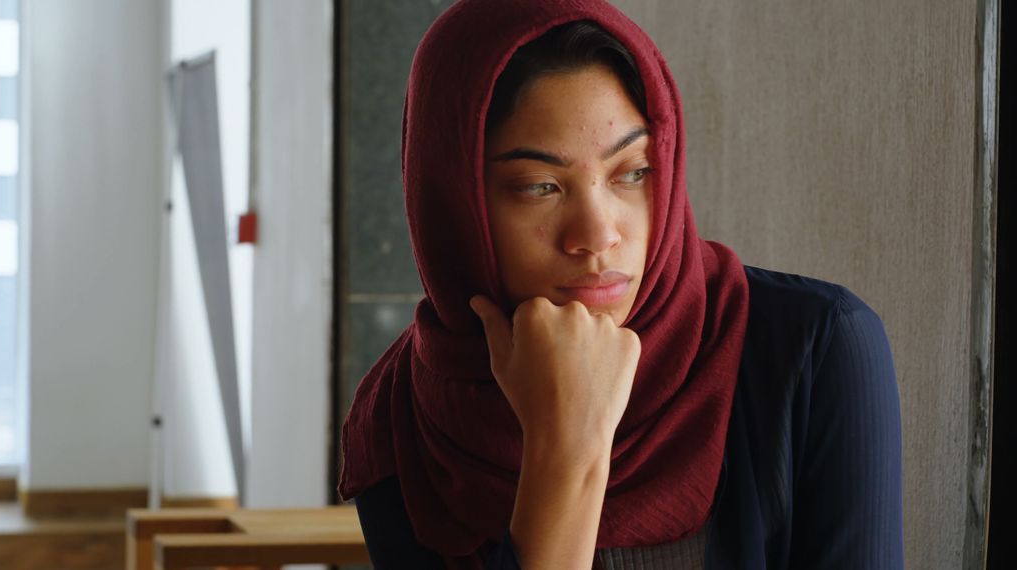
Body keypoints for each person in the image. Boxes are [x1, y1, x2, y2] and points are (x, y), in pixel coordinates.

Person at [338, 0, 903, 568]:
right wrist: (567, 453)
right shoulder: (408, 421)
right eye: (540, 186)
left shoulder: (816, 350)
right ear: (454, 210)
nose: (598, 235)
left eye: (633, 172)